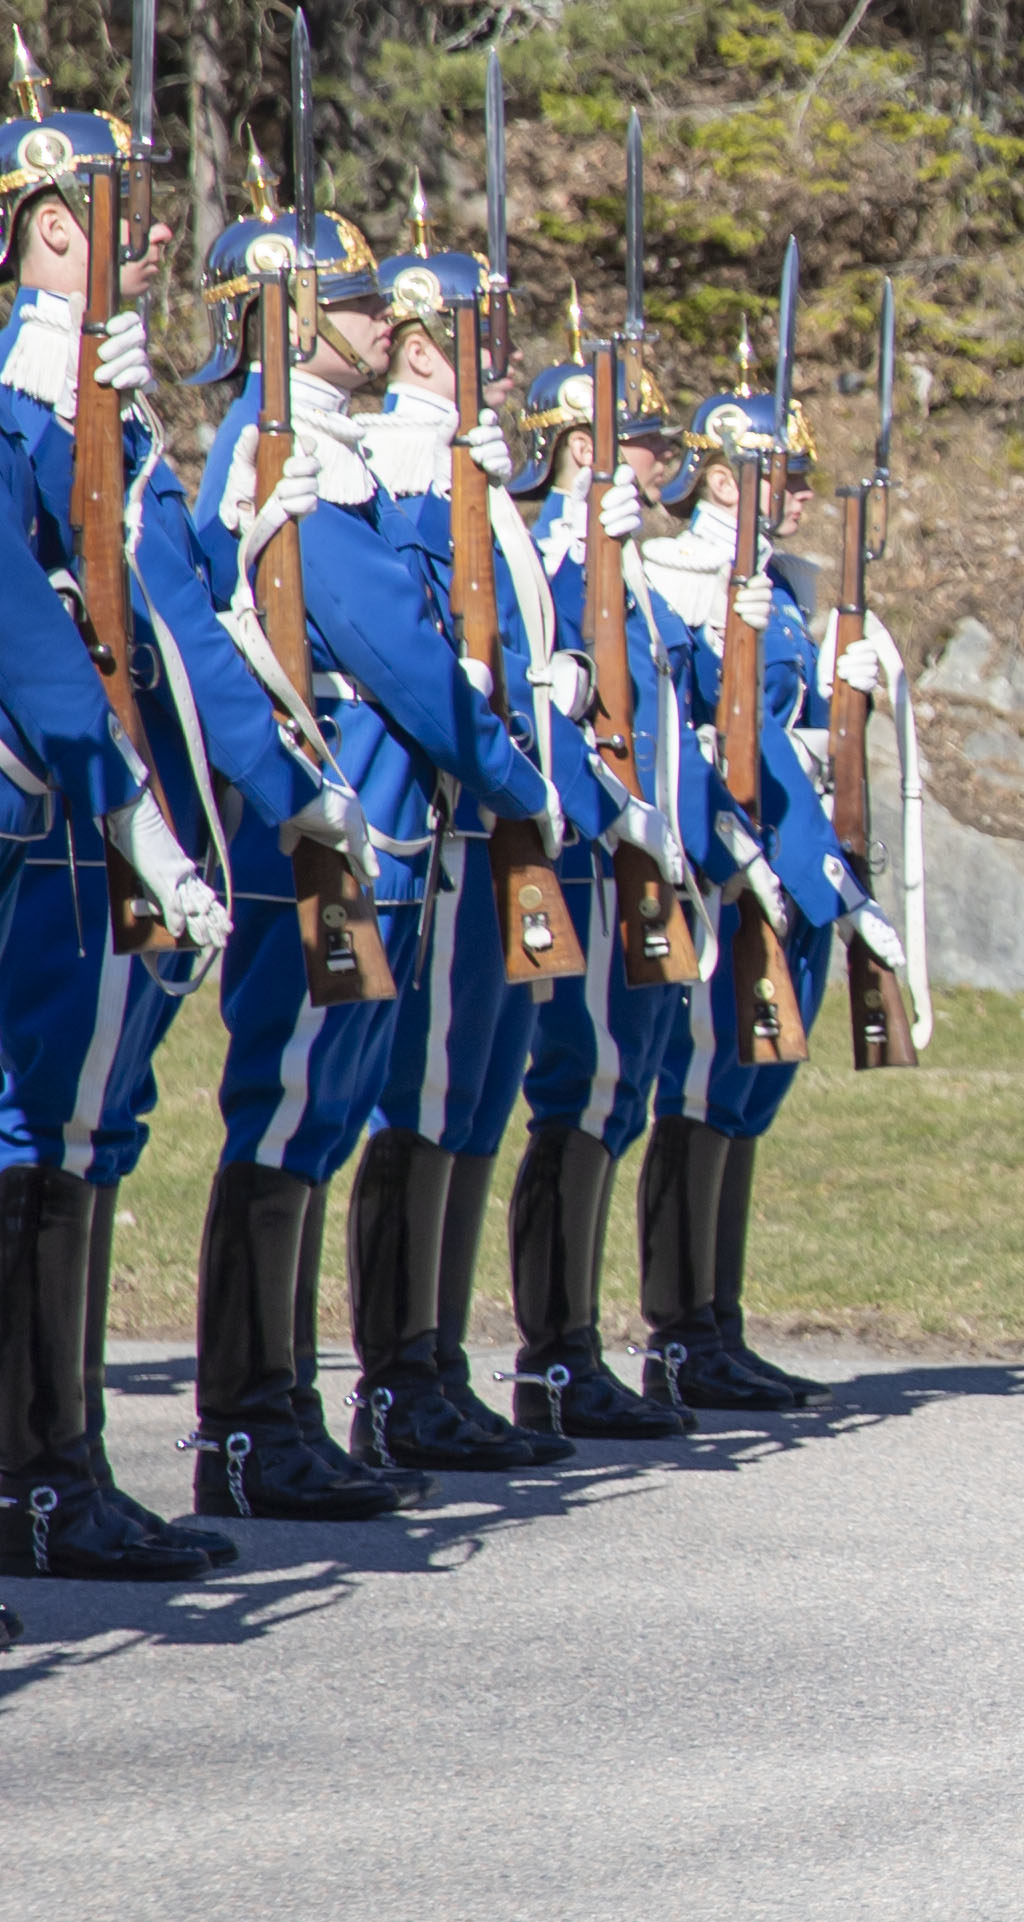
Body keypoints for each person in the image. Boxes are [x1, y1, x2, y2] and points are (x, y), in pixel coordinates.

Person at [191, 204, 562, 1518]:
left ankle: (286, 1406)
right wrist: (526, 781)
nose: (377, 323)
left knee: (325, 1111)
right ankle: (249, 1418)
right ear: (287, 316)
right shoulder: (293, 455)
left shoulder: (331, 450)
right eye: (353, 305)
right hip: (330, 832)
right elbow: (396, 651)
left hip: (379, 835)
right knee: (290, 1108)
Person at [0, 100, 249, 1582]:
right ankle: (41, 1473)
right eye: (104, 216)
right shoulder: (25, 391)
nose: (141, 240)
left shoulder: (68, 391)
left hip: (74, 810)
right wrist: (127, 808)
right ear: (36, 231)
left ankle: (56, 1463)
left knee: (78, 1124)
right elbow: (40, 622)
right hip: (57, 812)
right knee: (45, 1126)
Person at [344, 238, 579, 1473]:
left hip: (505, 821)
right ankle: (398, 1375)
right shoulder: (402, 464)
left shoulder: (470, 468)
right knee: (427, 1088)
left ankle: (436, 1359)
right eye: (492, 330)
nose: (514, 356)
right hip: (449, 820)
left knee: (479, 1086)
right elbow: (420, 653)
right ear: (430, 342)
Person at [631, 385, 891, 1414]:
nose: (796, 494)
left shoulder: (781, 585)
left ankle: (718, 1321)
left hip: (793, 847)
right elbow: (686, 715)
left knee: (749, 1091)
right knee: (699, 1090)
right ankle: (678, 1329)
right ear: (730, 478)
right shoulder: (675, 574)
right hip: (725, 858)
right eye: (781, 474)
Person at [502, 341, 704, 1442]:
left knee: (621, 1087)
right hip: (583, 856)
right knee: (575, 1086)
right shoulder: (552, 557)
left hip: (646, 858)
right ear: (581, 447)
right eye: (641, 441)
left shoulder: (627, 564)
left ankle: (578, 1344)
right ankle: (555, 1354)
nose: (658, 462)